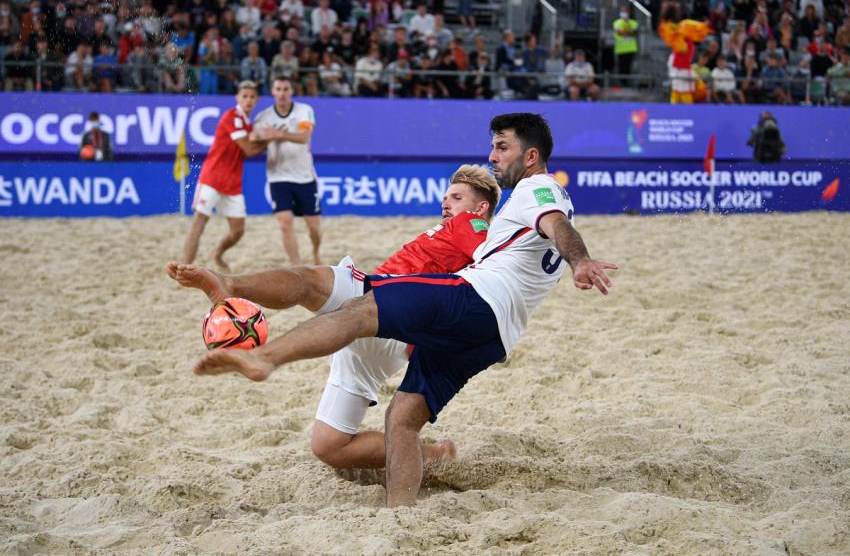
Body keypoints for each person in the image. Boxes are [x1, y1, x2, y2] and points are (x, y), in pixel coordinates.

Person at [190, 113, 617, 507]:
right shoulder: (506, 220)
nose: (492, 155)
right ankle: (402, 514)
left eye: (502, 147)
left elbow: (555, 224)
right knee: (389, 423)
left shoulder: (519, 200)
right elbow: (542, 233)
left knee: (334, 295)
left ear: (531, 156)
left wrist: (579, 260)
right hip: (490, 334)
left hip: (465, 301)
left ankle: (261, 350)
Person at [167, 165, 501, 470]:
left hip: (384, 311)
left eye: (456, 197)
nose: (446, 203)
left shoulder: (471, 224)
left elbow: (493, 263)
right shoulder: (450, 230)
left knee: (309, 281)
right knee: (330, 446)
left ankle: (231, 286)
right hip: (384, 336)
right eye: (445, 197)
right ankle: (435, 455)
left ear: (480, 207)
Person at [180, 81, 267, 269]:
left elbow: (249, 149)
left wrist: (264, 140)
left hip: (233, 182)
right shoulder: (232, 116)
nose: (248, 100)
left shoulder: (247, 124)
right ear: (237, 98)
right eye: (245, 96)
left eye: (252, 97)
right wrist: (271, 139)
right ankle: (185, 268)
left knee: (238, 231)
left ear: (257, 100)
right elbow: (249, 149)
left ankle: (217, 253)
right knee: (199, 222)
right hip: (212, 177)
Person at [251, 76, 322, 265]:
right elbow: (255, 143)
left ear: (291, 91)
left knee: (314, 227)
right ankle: (297, 266)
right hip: (277, 175)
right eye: (278, 89)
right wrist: (257, 138)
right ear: (273, 92)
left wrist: (279, 134)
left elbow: (304, 137)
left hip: (304, 175)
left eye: (285, 89)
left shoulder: (304, 110)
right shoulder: (263, 117)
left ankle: (315, 252)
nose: (282, 93)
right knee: (284, 223)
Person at [613, 5, 638, 86]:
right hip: (620, 48)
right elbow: (619, 32)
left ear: (629, 12)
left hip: (630, 48)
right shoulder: (616, 22)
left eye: (625, 11)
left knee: (629, 66)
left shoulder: (633, 22)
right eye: (622, 11)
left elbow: (633, 32)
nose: (624, 13)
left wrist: (624, 32)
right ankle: (622, 83)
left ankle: (628, 82)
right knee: (621, 66)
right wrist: (628, 32)